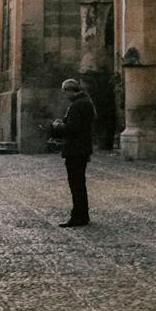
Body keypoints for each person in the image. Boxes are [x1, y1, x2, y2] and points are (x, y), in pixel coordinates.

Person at [51, 76, 95, 228]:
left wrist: (58, 126)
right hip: (81, 148)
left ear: (70, 90)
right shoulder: (85, 103)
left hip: (75, 149)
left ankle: (78, 216)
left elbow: (73, 129)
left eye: (65, 92)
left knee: (76, 184)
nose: (64, 95)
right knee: (79, 183)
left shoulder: (77, 105)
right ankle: (82, 214)